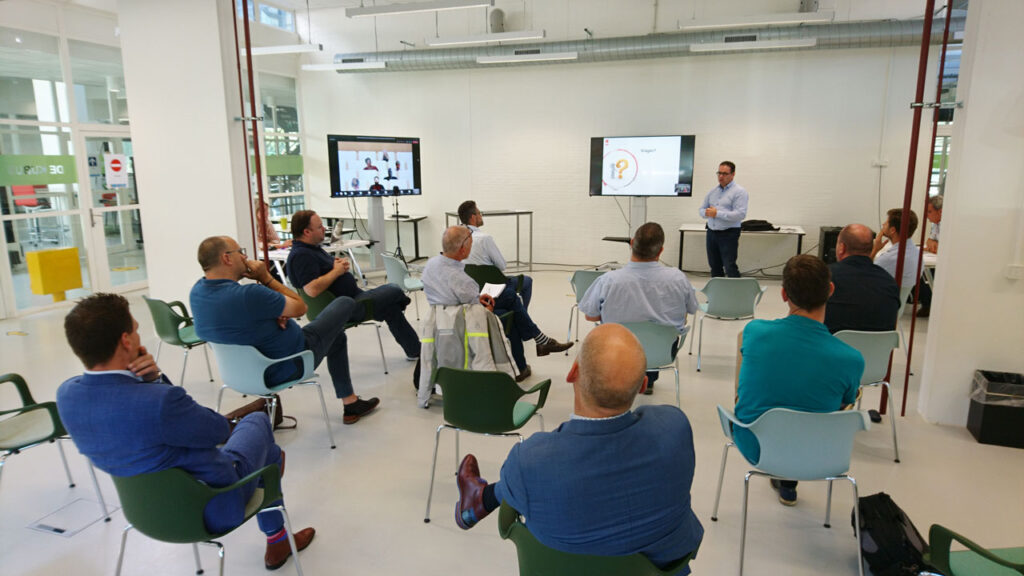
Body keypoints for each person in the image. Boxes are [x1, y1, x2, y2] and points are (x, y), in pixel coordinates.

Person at [56, 293, 315, 570]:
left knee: (266, 453)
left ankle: (272, 482)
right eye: (136, 330)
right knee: (258, 423)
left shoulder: (67, 395)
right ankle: (276, 528)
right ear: (125, 341)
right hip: (211, 506)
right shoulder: (159, 402)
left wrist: (147, 383)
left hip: (143, 514)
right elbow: (218, 431)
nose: (139, 336)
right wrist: (156, 383)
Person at [454, 324, 703, 574]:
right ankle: (479, 500)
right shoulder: (675, 428)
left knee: (525, 483)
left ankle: (478, 502)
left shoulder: (531, 459)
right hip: (661, 569)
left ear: (573, 372)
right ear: (642, 385)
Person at [190, 235, 379, 424]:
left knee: (336, 336)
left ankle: (350, 402)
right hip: (291, 362)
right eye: (240, 252)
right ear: (227, 258)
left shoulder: (197, 294)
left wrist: (274, 313)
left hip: (238, 374)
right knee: (344, 303)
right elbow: (301, 307)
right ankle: (350, 402)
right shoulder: (251, 294)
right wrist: (265, 277)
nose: (244, 257)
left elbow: (238, 323)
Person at [734, 254, 863, 506]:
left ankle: (784, 476)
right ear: (830, 290)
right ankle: (788, 482)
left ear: (783, 294)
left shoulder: (754, 332)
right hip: (817, 452)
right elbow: (844, 405)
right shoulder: (851, 359)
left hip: (755, 444)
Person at [420, 226, 572, 381]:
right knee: (510, 315)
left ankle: (537, 344)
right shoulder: (464, 280)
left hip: (441, 316)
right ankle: (529, 356)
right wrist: (486, 308)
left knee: (509, 296)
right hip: (465, 322)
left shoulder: (431, 265)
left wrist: (477, 299)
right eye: (470, 243)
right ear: (462, 249)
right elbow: (477, 312)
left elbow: (450, 296)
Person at [285, 210, 420, 362]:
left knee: (391, 306)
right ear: (306, 232)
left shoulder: (310, 249)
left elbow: (322, 273)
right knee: (394, 289)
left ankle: (415, 350)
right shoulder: (302, 255)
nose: (324, 229)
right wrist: (336, 271)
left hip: (352, 299)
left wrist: (337, 265)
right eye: (319, 227)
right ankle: (403, 305)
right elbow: (312, 289)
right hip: (346, 307)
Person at [579, 222, 698, 394]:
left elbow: (590, 316)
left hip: (615, 350)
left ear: (632, 243)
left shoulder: (609, 280)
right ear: (661, 250)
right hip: (661, 352)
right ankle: (648, 380)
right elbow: (692, 308)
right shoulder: (678, 278)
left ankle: (622, 382)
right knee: (659, 328)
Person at [457, 200, 534, 310]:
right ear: (473, 217)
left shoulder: (456, 238)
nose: (481, 216)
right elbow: (502, 266)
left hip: (469, 286)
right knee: (527, 281)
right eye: (479, 213)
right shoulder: (485, 238)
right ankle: (521, 316)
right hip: (492, 286)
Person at [824, 223, 901, 333]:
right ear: (871, 248)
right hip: (877, 349)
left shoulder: (824, 277)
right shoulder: (889, 282)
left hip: (832, 347)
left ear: (842, 248)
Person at [698, 161, 748, 277]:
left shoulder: (739, 192)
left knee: (729, 265)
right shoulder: (712, 191)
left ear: (733, 174)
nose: (721, 176)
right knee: (714, 265)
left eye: (725, 174)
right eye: (719, 173)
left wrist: (717, 214)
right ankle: (718, 293)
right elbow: (701, 209)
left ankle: (735, 293)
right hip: (711, 232)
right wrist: (706, 213)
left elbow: (740, 214)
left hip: (729, 233)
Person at [871, 207, 922, 291]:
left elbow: (863, 274)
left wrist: (875, 249)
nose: (883, 224)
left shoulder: (889, 259)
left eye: (886, 223)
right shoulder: (917, 253)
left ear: (892, 230)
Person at [917, 195, 943, 317]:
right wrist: (934, 245)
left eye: (929, 211)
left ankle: (928, 306)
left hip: (944, 265)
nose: (927, 215)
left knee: (924, 273)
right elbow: (929, 242)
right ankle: (926, 304)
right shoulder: (936, 224)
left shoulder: (947, 225)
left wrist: (935, 246)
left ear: (941, 211)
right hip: (935, 259)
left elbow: (943, 248)